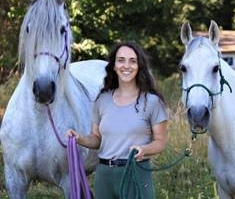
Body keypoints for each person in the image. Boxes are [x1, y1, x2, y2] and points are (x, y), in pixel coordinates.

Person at [67, 41, 168, 199]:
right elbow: (97, 140)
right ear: (114, 65)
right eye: (121, 60)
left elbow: (160, 142)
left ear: (139, 65)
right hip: (104, 176)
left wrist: (145, 150)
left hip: (136, 173)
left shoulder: (152, 102)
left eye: (132, 61)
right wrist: (80, 138)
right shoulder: (101, 100)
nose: (126, 65)